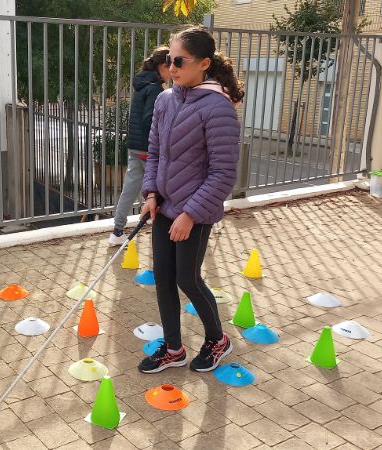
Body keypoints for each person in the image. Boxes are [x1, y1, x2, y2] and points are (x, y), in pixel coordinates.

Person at [138, 27, 244, 373]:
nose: (172, 67)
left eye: (179, 61)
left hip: (194, 213)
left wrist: (190, 214)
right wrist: (151, 193)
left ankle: (217, 339)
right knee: (163, 278)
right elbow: (154, 152)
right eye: (169, 60)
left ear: (204, 64)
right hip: (164, 206)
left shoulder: (218, 107)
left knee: (188, 279)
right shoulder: (165, 100)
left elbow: (223, 173)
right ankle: (173, 349)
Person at [108, 47, 171, 246]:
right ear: (163, 66)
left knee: (130, 188)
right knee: (161, 189)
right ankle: (161, 233)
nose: (173, 72)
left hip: (135, 146)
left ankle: (117, 231)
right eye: (171, 66)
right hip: (148, 148)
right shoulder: (155, 89)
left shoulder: (142, 85)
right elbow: (149, 120)